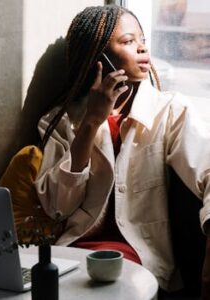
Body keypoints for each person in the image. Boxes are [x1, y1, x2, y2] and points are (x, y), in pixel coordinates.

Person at [32, 4, 210, 298]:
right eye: (128, 42)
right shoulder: (59, 121)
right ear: (98, 58)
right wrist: (91, 123)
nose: (142, 49)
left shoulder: (169, 111)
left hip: (137, 259)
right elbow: (56, 206)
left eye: (142, 40)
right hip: (73, 256)